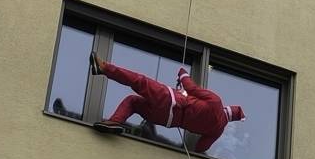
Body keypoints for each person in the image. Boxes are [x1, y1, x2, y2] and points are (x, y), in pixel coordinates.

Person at [90, 55, 243, 153]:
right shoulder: (217, 131)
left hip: (170, 101)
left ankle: (104, 68)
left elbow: (191, 88)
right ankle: (114, 123)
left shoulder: (216, 102)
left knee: (139, 81)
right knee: (134, 102)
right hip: (167, 120)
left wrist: (183, 74)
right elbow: (201, 148)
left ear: (227, 108)